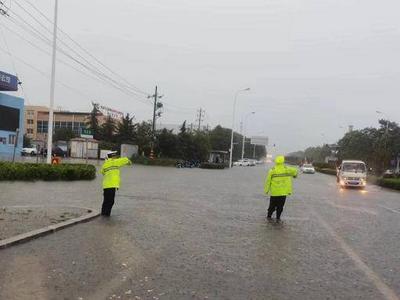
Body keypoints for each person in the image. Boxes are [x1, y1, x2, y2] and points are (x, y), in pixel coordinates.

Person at [264, 155, 298, 221]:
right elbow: (295, 171)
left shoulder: (272, 170)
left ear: (276, 161)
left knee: (272, 206)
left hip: (274, 192)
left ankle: (269, 216)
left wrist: (266, 190)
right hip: (283, 193)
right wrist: (295, 176)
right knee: (280, 207)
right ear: (283, 161)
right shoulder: (287, 169)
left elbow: (268, 181)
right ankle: (278, 218)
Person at [101, 151, 132, 216]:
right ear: (113, 157)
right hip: (112, 186)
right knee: (111, 201)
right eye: (114, 156)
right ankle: (106, 215)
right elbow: (126, 159)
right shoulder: (116, 162)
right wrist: (129, 162)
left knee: (105, 201)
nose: (115, 157)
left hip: (105, 186)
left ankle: (103, 214)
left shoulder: (104, 165)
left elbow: (102, 172)